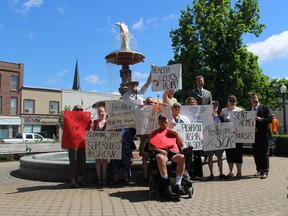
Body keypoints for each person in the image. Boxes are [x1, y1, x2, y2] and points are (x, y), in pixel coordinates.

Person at [149, 115, 186, 198]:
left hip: (173, 152)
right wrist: (160, 150)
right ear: (159, 122)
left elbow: (181, 144)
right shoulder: (154, 133)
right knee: (159, 157)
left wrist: (176, 135)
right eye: (161, 121)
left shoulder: (172, 132)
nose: (163, 123)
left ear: (168, 122)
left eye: (165, 121)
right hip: (162, 153)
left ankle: (178, 184)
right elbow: (150, 147)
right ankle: (166, 184)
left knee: (182, 157)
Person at [248, 93, 272, 179]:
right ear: (250, 100)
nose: (254, 99)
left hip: (263, 134)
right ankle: (259, 170)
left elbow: (270, 119)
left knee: (264, 153)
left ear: (258, 99)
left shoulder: (265, 108)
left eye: (255, 98)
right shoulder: (248, 110)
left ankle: (265, 171)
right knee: (256, 153)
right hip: (253, 135)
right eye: (252, 98)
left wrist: (261, 119)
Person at [219, 95, 243, 178]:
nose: (232, 102)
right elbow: (218, 121)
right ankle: (231, 171)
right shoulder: (223, 111)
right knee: (229, 154)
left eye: (233, 101)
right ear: (227, 101)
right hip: (227, 137)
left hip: (238, 136)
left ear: (236, 102)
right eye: (230, 100)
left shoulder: (240, 110)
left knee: (238, 154)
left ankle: (239, 172)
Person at [67, 104, 88, 188]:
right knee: (73, 162)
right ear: (73, 110)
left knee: (82, 162)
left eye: (81, 109)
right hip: (72, 144)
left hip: (82, 143)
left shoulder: (84, 120)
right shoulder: (69, 119)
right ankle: (73, 181)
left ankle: (79, 180)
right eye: (77, 109)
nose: (79, 111)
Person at [206, 101, 226, 180]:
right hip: (209, 139)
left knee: (219, 156)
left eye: (216, 105)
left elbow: (225, 127)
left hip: (219, 140)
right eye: (213, 105)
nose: (215, 107)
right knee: (210, 156)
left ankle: (221, 173)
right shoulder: (207, 117)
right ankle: (211, 174)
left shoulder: (221, 117)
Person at [138, 97, 155, 184]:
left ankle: (154, 177)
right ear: (145, 103)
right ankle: (145, 178)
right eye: (148, 102)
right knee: (144, 157)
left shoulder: (157, 111)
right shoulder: (141, 112)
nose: (150, 104)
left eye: (152, 102)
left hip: (155, 138)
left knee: (155, 157)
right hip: (145, 137)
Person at [92, 106, 107, 186]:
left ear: (105, 112)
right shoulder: (94, 122)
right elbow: (91, 132)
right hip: (96, 144)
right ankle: (99, 178)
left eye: (102, 111)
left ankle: (104, 178)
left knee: (104, 161)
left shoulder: (108, 122)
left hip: (105, 143)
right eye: (99, 112)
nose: (101, 113)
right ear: (97, 113)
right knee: (97, 160)